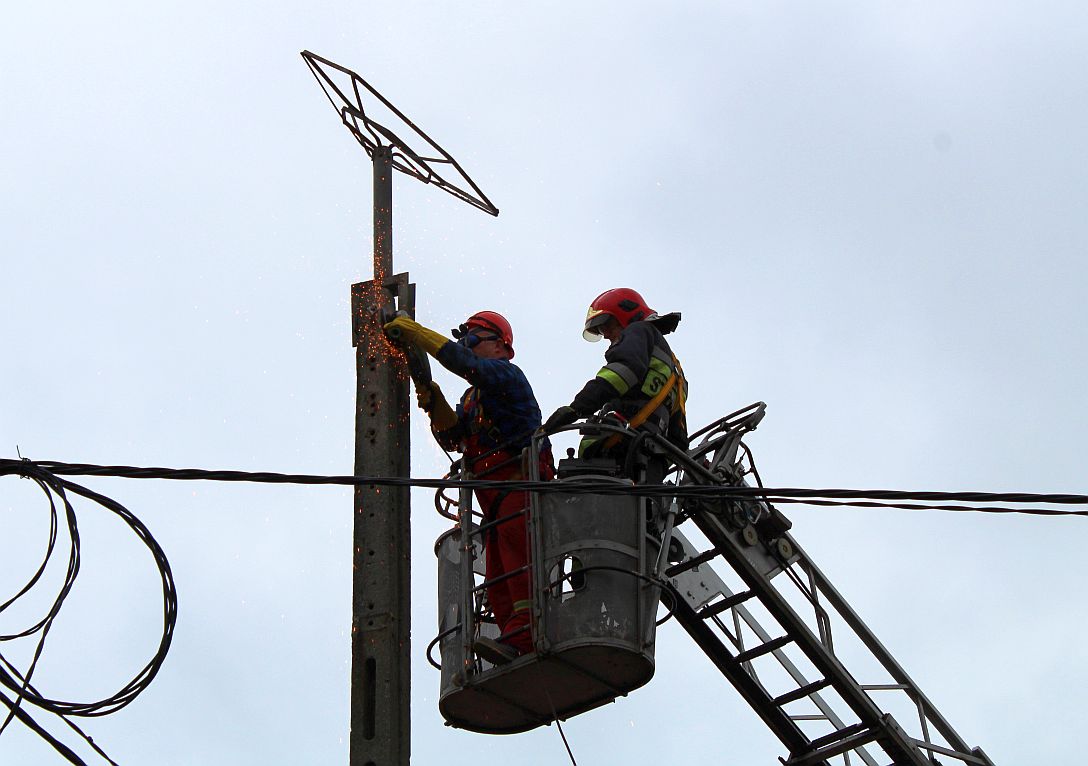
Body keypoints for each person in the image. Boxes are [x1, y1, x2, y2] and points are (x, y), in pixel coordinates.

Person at [384, 310, 553, 666]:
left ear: (501, 346)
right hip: (492, 500)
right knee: (496, 575)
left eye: (474, 339)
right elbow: (454, 436)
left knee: (519, 567)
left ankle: (527, 638)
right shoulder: (472, 399)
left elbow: (465, 364)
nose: (468, 346)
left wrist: (417, 333)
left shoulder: (508, 376)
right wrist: (432, 397)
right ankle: (511, 640)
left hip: (521, 491)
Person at [542, 288, 688, 480]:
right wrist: (657, 465)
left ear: (627, 315)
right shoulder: (675, 374)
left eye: (608, 326)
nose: (607, 335)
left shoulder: (639, 330)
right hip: (645, 465)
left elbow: (622, 372)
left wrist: (576, 408)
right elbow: (679, 440)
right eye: (602, 331)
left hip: (617, 455)